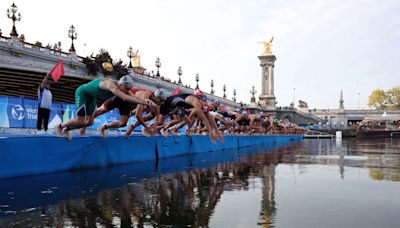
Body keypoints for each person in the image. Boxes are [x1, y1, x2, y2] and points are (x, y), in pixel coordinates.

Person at [56, 74, 157, 140]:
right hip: (82, 93)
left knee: (90, 122)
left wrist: (145, 101)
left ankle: (67, 129)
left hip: (92, 97)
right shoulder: (110, 85)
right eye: (126, 88)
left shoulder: (123, 88)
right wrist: (144, 102)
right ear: (121, 84)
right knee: (80, 121)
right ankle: (60, 126)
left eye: (128, 89)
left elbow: (132, 97)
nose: (127, 90)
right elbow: (125, 98)